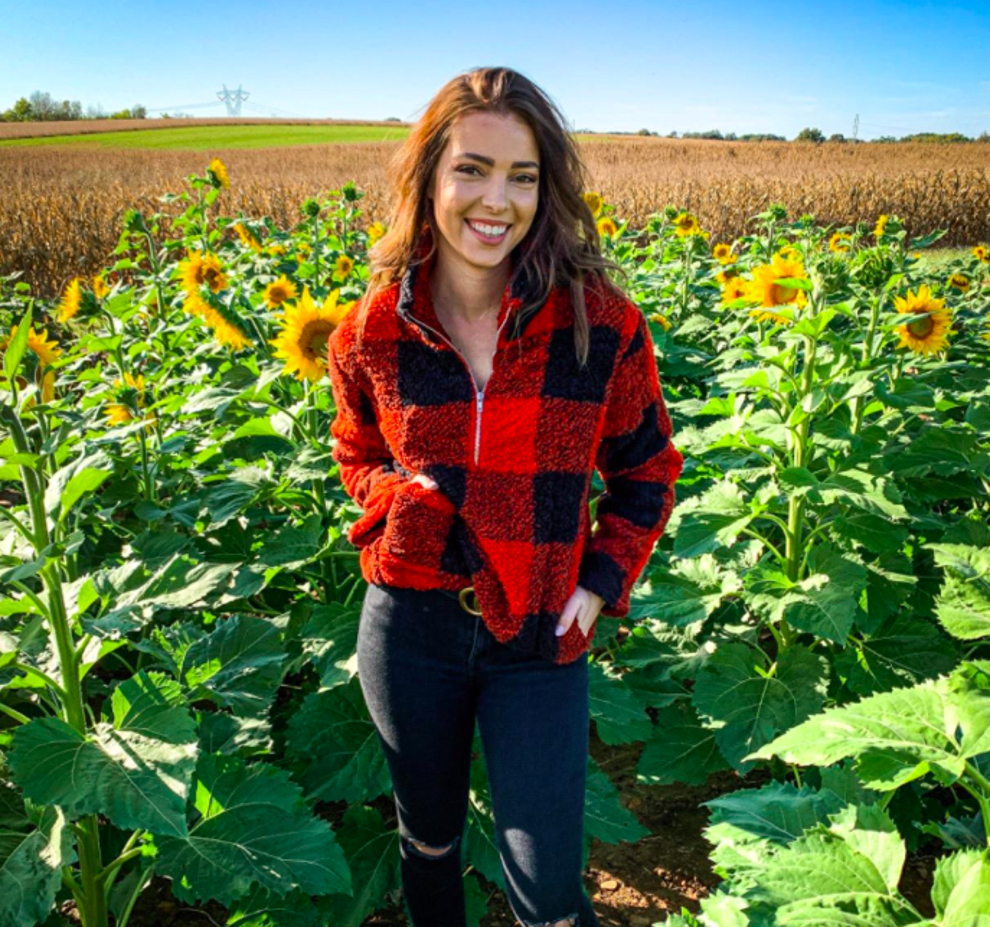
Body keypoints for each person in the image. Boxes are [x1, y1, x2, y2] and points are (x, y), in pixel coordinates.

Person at [326, 66, 683, 927]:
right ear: (430, 179)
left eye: (523, 176)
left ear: (546, 189)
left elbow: (649, 468)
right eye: (473, 169)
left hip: (538, 632)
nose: (498, 200)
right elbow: (356, 451)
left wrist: (600, 581)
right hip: (410, 628)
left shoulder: (600, 325)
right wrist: (401, 503)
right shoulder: (369, 332)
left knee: (548, 887)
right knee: (430, 843)